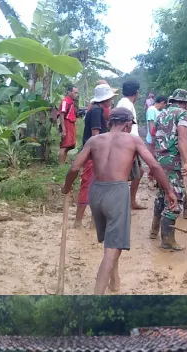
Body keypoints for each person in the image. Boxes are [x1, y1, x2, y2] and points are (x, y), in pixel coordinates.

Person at [62, 108, 177, 294]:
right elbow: (154, 165)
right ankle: (97, 296)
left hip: (96, 192)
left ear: (110, 122)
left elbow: (75, 167)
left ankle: (114, 281)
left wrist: (66, 187)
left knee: (110, 241)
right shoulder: (132, 140)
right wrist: (169, 190)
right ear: (126, 124)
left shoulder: (94, 141)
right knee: (113, 248)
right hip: (117, 192)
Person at [150, 89, 187, 251]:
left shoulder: (161, 114)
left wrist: (152, 163)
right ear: (185, 103)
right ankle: (167, 240)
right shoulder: (182, 114)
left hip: (160, 161)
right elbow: (182, 139)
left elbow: (153, 139)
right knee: (175, 198)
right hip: (173, 162)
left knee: (162, 194)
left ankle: (154, 230)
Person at [75, 83, 117, 229]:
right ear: (106, 99)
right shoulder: (97, 112)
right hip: (94, 156)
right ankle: (79, 221)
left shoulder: (96, 110)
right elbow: (95, 137)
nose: (111, 101)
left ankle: (93, 222)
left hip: (94, 155)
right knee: (88, 186)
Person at [116, 80, 146, 210]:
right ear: (137, 92)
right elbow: (124, 127)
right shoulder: (127, 105)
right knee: (130, 173)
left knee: (138, 171)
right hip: (128, 144)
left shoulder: (122, 103)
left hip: (126, 143)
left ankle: (130, 201)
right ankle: (128, 202)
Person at [59, 84, 80, 165]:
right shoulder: (65, 101)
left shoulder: (72, 102)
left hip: (71, 124)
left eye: (77, 93)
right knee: (64, 145)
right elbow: (61, 115)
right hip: (66, 124)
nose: (76, 94)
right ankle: (61, 166)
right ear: (69, 92)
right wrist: (64, 129)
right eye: (75, 93)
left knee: (69, 145)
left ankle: (63, 164)